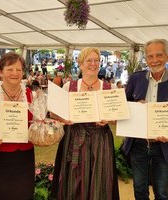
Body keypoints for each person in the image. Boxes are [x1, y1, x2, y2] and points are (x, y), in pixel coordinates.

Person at [122, 39, 168, 200]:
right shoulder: (136, 79)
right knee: (139, 189)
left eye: (159, 55)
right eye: (150, 56)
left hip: (164, 147)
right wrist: (135, 108)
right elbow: (123, 107)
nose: (154, 60)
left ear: (167, 56)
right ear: (145, 59)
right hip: (138, 145)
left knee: (161, 192)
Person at [50, 47, 120, 200]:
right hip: (74, 138)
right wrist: (63, 119)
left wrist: (108, 119)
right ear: (80, 64)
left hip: (101, 139)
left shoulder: (110, 88)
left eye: (96, 60)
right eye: (89, 60)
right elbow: (54, 113)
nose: (93, 64)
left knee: (100, 179)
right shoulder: (69, 87)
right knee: (73, 180)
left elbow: (118, 118)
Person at [0, 51, 35, 200]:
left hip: (24, 156)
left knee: (24, 194)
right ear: (0, 72)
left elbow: (35, 123)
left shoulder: (31, 95)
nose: (15, 73)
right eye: (10, 69)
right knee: (0, 194)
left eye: (19, 69)